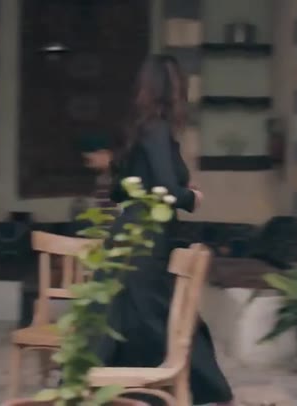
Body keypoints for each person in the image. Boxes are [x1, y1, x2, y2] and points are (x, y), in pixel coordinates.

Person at [94, 54, 234, 405]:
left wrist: (166, 189)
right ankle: (176, 392)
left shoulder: (137, 130)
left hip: (127, 236)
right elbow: (169, 190)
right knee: (157, 320)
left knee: (128, 320)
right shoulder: (157, 130)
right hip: (146, 240)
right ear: (171, 90)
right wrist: (192, 197)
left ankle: (129, 394)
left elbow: (118, 190)